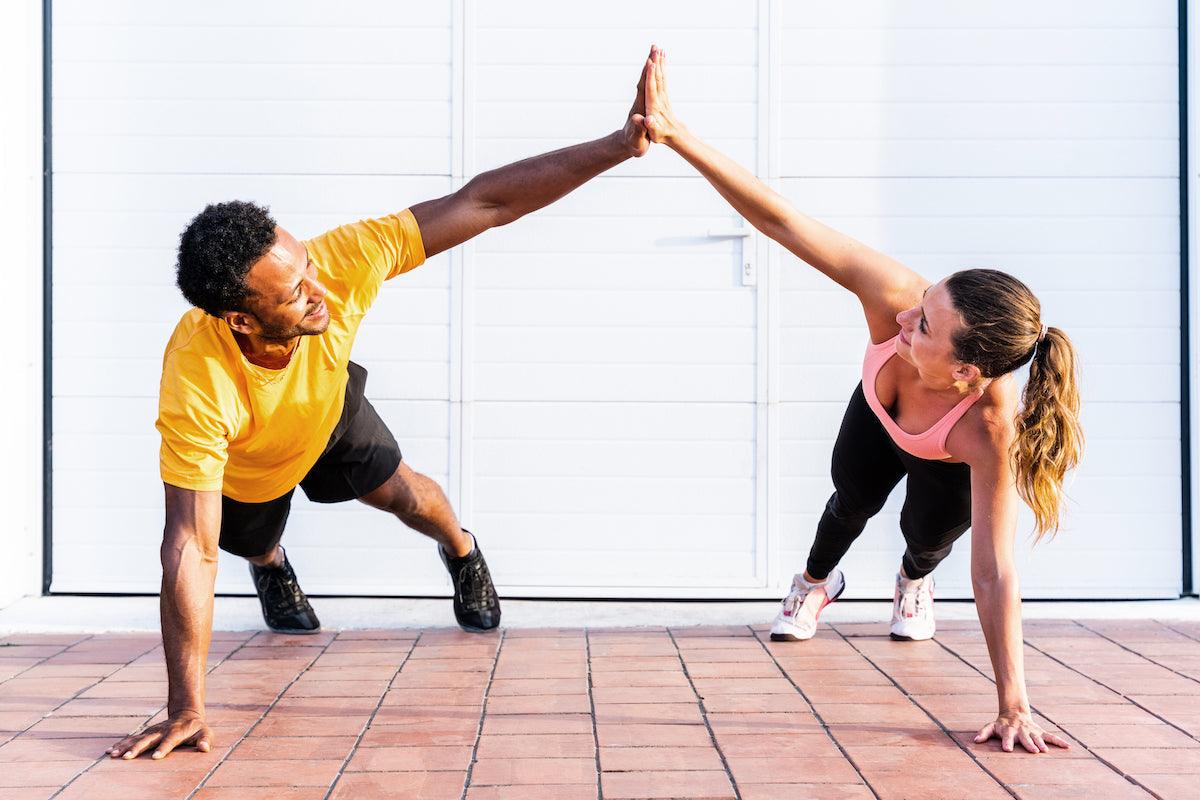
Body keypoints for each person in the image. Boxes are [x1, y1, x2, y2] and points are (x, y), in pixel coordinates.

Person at [106, 53, 658, 762]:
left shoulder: (340, 260)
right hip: (248, 461)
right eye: (294, 293)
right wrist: (187, 706)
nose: (319, 293)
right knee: (241, 541)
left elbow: (484, 203)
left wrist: (617, 145)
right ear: (242, 320)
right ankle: (272, 564)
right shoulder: (197, 375)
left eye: (306, 266)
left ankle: (462, 551)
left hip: (327, 409)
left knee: (407, 496)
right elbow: (188, 545)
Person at [642, 46, 1081, 754]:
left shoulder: (989, 429)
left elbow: (996, 571)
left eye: (926, 327)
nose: (905, 320)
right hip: (880, 418)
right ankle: (817, 582)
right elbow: (785, 222)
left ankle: (911, 582)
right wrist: (676, 132)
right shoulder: (897, 300)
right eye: (923, 303)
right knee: (850, 497)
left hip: (941, 452)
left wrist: (1014, 703)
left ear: (968, 373)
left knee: (928, 537)